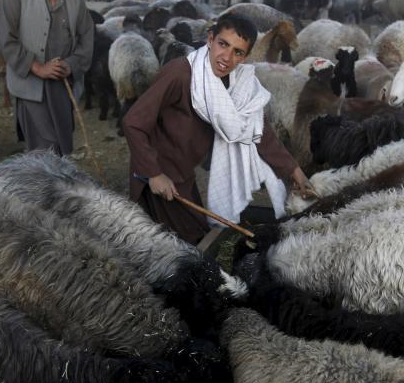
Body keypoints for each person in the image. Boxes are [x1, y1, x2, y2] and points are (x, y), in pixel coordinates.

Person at [122, 13, 315, 245]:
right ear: (210, 39)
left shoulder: (238, 85)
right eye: (223, 44)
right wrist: (154, 174)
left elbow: (257, 130)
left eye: (238, 52)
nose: (227, 57)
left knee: (189, 236)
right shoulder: (180, 74)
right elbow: (133, 122)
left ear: (245, 57)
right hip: (158, 171)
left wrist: (295, 172)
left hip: (183, 173)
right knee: (177, 242)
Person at [0, 0, 94, 154]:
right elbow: (5, 38)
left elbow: (87, 38)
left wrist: (71, 65)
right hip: (31, 86)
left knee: (62, 145)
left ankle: (56, 188)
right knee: (44, 149)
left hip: (63, 85)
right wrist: (37, 67)